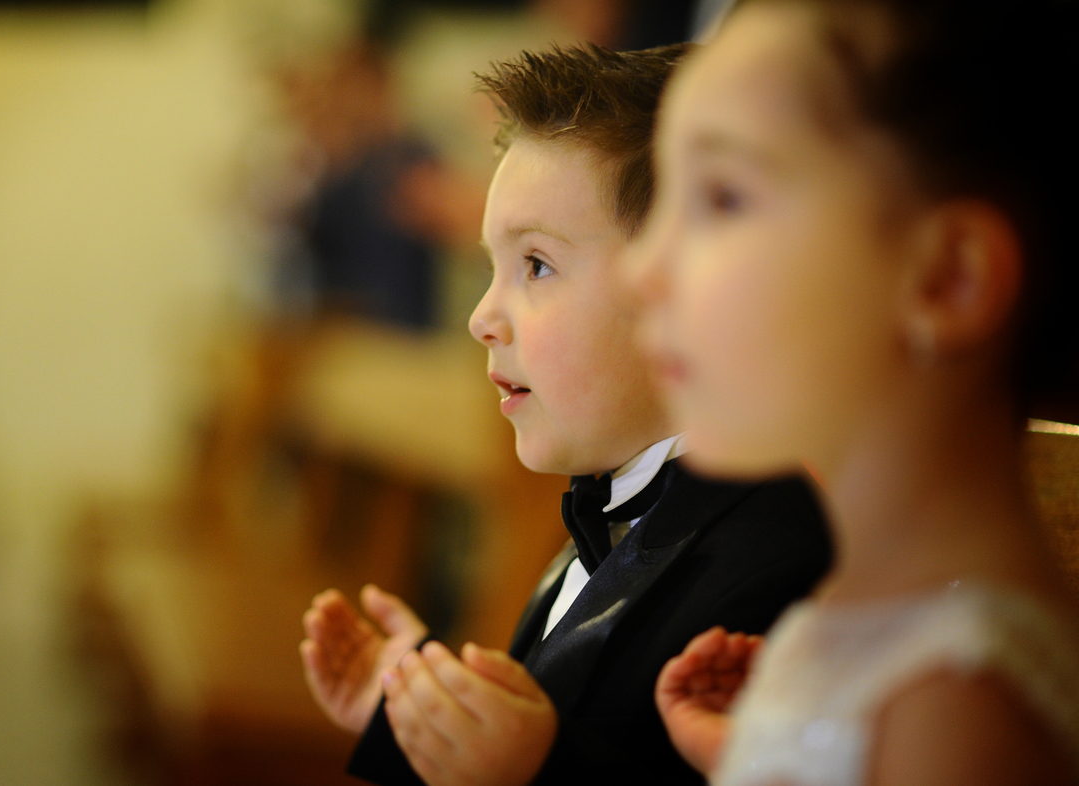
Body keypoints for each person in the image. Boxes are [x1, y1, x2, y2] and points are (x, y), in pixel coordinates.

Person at [301, 44, 832, 786]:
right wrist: (424, 712)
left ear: (681, 290)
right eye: (491, 267)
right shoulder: (599, 522)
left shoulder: (780, 569)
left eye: (537, 266)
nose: (483, 317)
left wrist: (540, 772)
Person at [632, 1, 1079, 784]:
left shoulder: (959, 703)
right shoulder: (865, 607)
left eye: (723, 198)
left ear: (948, 278)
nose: (641, 270)